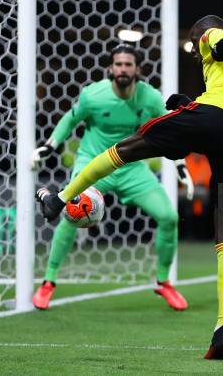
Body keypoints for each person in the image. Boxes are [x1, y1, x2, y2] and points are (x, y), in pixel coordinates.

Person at [36, 15, 223, 359]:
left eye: (193, 43)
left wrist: (215, 42)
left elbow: (216, 40)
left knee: (132, 146)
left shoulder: (211, 37)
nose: (194, 51)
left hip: (212, 117)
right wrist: (190, 104)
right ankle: (222, 327)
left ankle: (59, 199)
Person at [31, 44, 193, 311]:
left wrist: (180, 164)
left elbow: (171, 129)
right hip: (93, 165)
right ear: (110, 68)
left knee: (169, 217)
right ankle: (49, 281)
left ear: (137, 69)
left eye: (128, 64)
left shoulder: (150, 97)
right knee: (69, 215)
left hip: (131, 167)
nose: (122, 69)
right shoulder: (93, 96)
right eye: (118, 64)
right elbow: (69, 120)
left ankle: (164, 282)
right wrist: (50, 145)